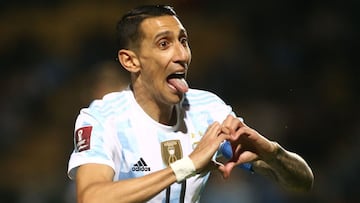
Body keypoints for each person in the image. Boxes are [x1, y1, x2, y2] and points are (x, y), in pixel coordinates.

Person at [67, 5, 314, 203]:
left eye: (183, 41)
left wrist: (271, 152)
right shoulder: (102, 118)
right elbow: (91, 198)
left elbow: (303, 182)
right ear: (130, 61)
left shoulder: (207, 110)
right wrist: (186, 165)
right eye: (164, 44)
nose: (182, 55)